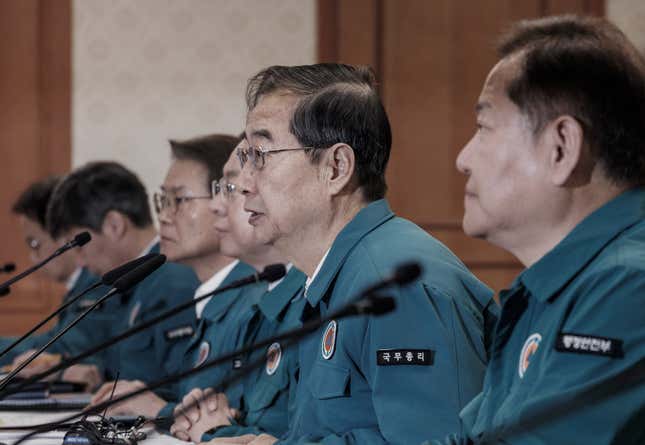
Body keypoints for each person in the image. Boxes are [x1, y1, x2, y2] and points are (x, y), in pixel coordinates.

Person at [222, 63, 496, 445]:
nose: (245, 182)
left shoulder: (399, 287)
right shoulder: (330, 278)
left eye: (260, 154)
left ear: (336, 167)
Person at [428, 15, 645, 445]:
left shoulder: (626, 286)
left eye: (483, 127)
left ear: (561, 147)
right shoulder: (557, 284)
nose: (463, 159)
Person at [90, 134, 243, 417]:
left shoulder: (248, 298)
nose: (164, 215)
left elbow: (240, 416)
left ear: (227, 200)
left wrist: (162, 411)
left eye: (180, 200)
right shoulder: (210, 294)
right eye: (163, 200)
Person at [169, 143, 306, 443]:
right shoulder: (267, 292)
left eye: (229, 188)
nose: (216, 206)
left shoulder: (310, 298)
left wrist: (217, 431)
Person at [46, 161, 200, 390]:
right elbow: (123, 365)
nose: (79, 262)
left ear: (114, 225)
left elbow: (180, 388)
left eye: (80, 246)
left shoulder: (171, 281)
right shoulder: (134, 282)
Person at [0, 177, 110, 369]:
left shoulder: (96, 283)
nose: (33, 257)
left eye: (35, 243)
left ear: (63, 235)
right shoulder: (79, 286)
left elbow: (60, 347)